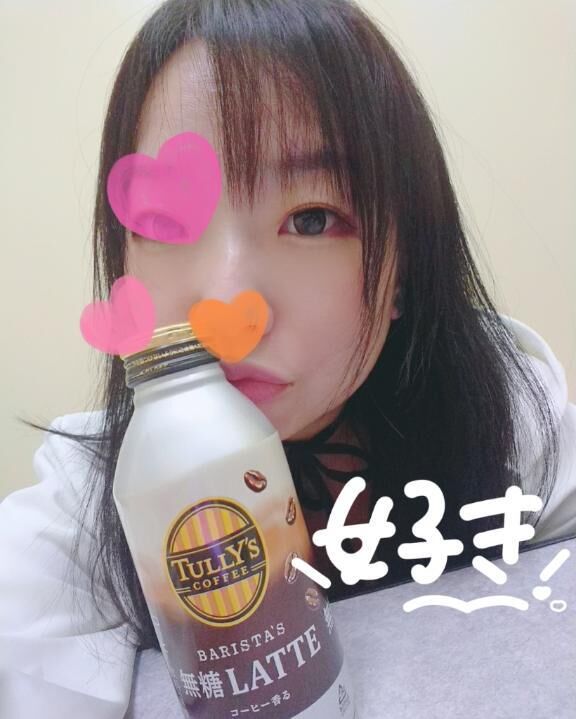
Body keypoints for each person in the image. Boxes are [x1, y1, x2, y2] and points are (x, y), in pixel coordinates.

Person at [1, 0, 575, 715]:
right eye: (166, 223)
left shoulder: (507, 418)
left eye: (311, 218)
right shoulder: (87, 503)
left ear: (404, 271)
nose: (226, 305)